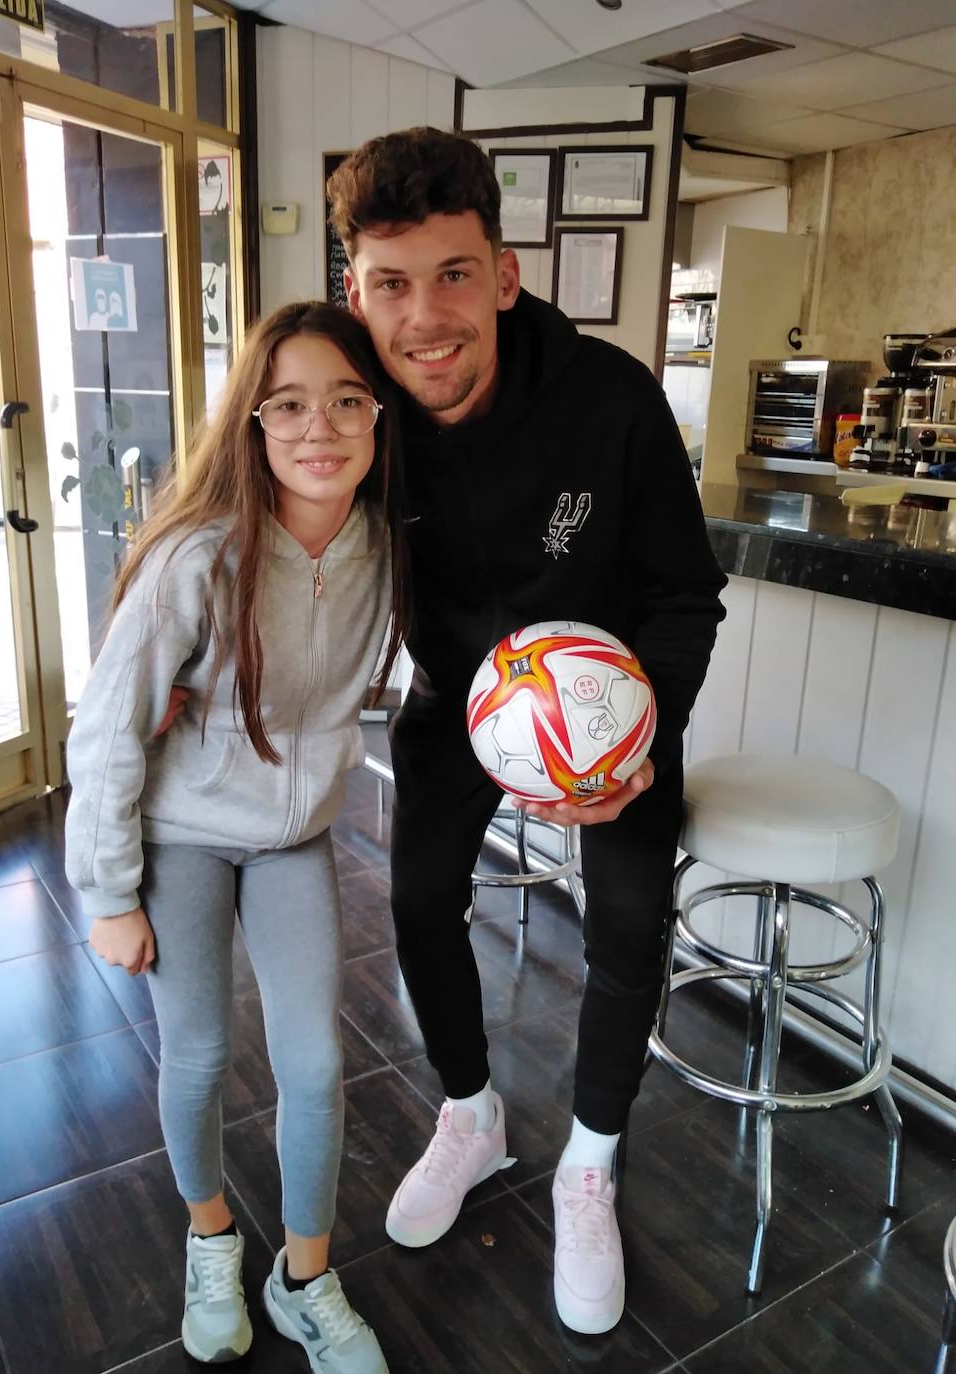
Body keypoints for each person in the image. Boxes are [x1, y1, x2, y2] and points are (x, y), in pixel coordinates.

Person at [326, 128, 728, 1336]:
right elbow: (260, 521)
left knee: (624, 921)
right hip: (459, 698)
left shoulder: (610, 400)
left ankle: (589, 1159)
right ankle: (471, 1113)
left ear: (503, 274)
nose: (424, 318)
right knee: (414, 900)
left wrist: (638, 742)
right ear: (356, 292)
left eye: (453, 274)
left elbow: (680, 595)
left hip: (608, 712)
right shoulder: (359, 406)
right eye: (390, 284)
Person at [64, 300, 406, 1371]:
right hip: (181, 838)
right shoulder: (197, 557)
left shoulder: (385, 549)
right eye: (289, 405)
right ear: (253, 424)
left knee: (315, 1066)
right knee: (201, 1052)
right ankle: (210, 1237)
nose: (320, 427)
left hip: (295, 838)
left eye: (345, 401)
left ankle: (303, 1278)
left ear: (377, 415)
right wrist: (109, 892)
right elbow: (108, 729)